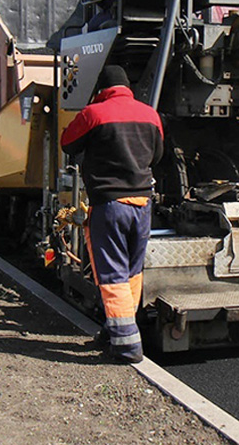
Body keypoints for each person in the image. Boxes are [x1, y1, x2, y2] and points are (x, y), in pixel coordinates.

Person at [59, 65, 163, 363]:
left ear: (101, 89)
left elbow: (68, 143)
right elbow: (157, 155)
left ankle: (127, 346)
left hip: (110, 205)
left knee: (112, 275)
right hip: (143, 204)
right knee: (132, 272)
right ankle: (113, 330)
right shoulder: (150, 114)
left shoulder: (93, 113)